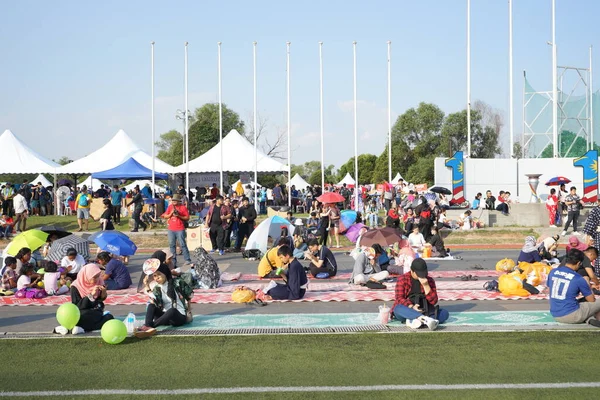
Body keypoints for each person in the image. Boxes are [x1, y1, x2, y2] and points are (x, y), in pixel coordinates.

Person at [136, 263, 193, 338]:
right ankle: (148, 326)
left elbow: (189, 296)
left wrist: (189, 311)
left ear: (165, 273)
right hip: (165, 317)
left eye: (159, 274)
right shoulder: (157, 288)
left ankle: (150, 326)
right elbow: (156, 302)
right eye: (154, 276)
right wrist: (147, 285)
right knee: (151, 305)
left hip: (178, 317)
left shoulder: (177, 282)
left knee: (172, 310)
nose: (156, 278)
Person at [547, 249, 600, 327]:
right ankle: (596, 318)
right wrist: (588, 286)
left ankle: (589, 319)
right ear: (579, 263)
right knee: (595, 303)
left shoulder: (553, 272)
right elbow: (591, 300)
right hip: (572, 315)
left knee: (583, 302)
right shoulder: (578, 278)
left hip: (556, 314)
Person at [391, 258, 447, 330]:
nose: (421, 276)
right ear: (412, 271)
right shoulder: (403, 279)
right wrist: (412, 307)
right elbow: (399, 298)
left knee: (444, 313)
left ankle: (415, 320)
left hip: (425, 310)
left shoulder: (429, 280)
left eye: (423, 274)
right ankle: (424, 319)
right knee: (397, 309)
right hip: (408, 309)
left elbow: (434, 301)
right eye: (419, 274)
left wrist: (426, 285)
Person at [59, 263, 114, 334]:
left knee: (109, 317)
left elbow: (100, 300)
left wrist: (103, 292)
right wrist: (91, 295)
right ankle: (81, 327)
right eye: (94, 277)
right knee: (82, 317)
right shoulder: (75, 286)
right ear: (86, 276)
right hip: (82, 312)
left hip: (95, 310)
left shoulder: (99, 281)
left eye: (98, 276)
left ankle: (80, 328)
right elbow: (77, 306)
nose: (96, 279)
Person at [161, 194, 193, 267]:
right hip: (171, 229)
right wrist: (171, 214)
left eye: (175, 200)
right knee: (172, 245)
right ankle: (173, 261)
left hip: (180, 228)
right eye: (173, 200)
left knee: (182, 244)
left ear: (179, 201)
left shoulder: (183, 208)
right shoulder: (170, 207)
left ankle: (187, 259)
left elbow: (187, 218)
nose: (174, 201)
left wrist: (179, 215)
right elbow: (165, 216)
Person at [582, 203, 600, 277]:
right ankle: (598, 274)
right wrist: (588, 237)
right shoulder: (596, 210)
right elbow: (590, 225)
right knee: (598, 254)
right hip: (599, 234)